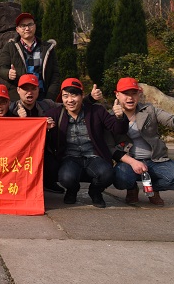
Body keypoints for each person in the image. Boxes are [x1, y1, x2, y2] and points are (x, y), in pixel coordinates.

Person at [8, 74, 103, 194]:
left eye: (33, 89)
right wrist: (19, 120)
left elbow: (70, 104)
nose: (29, 92)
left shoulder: (47, 105)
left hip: (41, 150)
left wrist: (91, 98)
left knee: (54, 166)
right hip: (18, 152)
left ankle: (48, 183)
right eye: (25, 89)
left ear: (38, 90)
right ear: (18, 90)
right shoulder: (11, 108)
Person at [45, 78, 128, 208]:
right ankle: (72, 190)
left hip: (94, 156)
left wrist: (120, 117)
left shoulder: (97, 111)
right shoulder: (54, 114)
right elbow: (38, 132)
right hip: (69, 158)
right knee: (66, 177)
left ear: (82, 96)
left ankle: (95, 191)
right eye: (65, 96)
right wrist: (46, 129)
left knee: (107, 174)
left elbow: (118, 129)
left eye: (74, 95)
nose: (70, 100)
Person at [111, 77, 174, 206]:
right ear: (117, 95)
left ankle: (153, 188)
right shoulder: (110, 116)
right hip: (128, 161)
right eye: (126, 94)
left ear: (139, 94)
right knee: (120, 178)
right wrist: (133, 162)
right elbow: (110, 147)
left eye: (134, 93)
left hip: (155, 160)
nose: (130, 98)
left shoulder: (149, 110)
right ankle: (132, 188)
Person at [0, 12, 61, 101]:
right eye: (23, 26)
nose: (27, 28)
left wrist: (50, 98)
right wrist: (7, 73)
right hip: (18, 98)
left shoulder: (47, 48)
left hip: (42, 97)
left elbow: (55, 75)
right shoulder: (10, 46)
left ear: (35, 26)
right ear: (17, 29)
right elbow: (1, 69)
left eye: (30, 25)